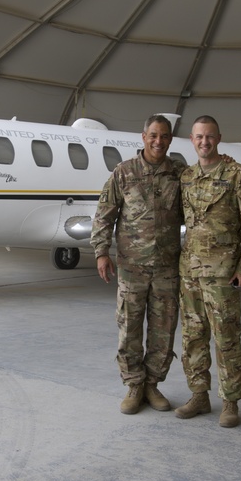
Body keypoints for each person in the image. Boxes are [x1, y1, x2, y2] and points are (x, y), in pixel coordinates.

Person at [90, 114, 184, 414]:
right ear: (143, 137)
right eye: (153, 135)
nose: (159, 141)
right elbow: (105, 213)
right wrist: (101, 252)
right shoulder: (125, 172)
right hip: (132, 268)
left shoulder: (179, 174)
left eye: (164, 136)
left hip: (167, 268)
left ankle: (153, 385)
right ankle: (133, 385)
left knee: (164, 330)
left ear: (170, 140)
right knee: (129, 327)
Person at [174, 115, 241, 428]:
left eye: (209, 137)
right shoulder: (185, 177)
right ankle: (199, 396)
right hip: (190, 274)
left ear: (218, 138)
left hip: (223, 273)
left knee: (226, 339)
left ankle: (230, 402)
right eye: (199, 137)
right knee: (192, 338)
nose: (204, 142)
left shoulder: (237, 175)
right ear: (192, 139)